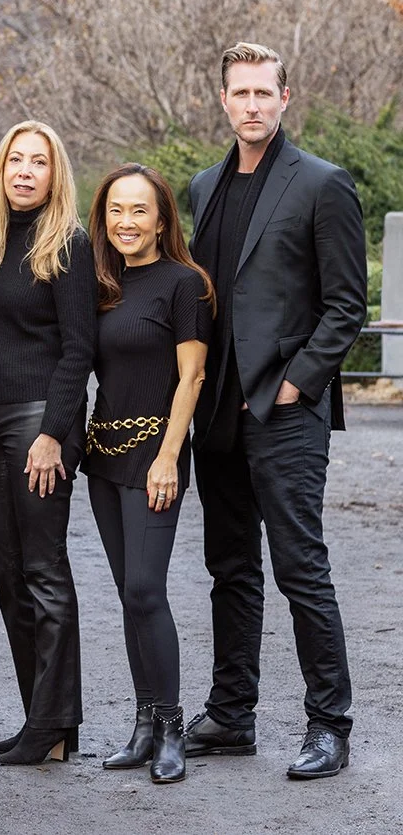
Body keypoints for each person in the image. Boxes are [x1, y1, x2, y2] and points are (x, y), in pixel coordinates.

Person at [184, 43, 367, 780]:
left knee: (300, 567)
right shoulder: (204, 185)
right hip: (219, 409)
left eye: (265, 92)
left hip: (284, 407)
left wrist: (298, 381)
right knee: (229, 566)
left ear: (286, 97)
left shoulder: (322, 184)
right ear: (222, 100)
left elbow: (346, 303)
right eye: (241, 93)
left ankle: (330, 723)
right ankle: (233, 713)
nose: (252, 105)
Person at [0, 120, 96, 766]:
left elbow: (80, 347)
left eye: (37, 162)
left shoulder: (67, 242)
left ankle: (53, 724)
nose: (23, 171)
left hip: (38, 420)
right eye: (14, 159)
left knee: (44, 569)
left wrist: (52, 433)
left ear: (54, 173)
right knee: (5, 570)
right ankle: (43, 720)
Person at [83, 164, 214, 784]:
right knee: (127, 595)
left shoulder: (185, 285)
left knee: (145, 589)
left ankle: (170, 727)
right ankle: (141, 723)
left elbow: (191, 377)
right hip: (102, 457)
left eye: (139, 210)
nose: (125, 222)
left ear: (162, 218)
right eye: (115, 210)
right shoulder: (102, 283)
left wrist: (169, 454)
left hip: (154, 455)